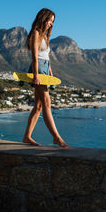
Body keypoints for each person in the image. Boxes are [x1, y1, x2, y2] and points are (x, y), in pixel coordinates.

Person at [23, 8, 69, 148]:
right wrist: (36, 75)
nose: (51, 24)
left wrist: (50, 72)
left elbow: (46, 56)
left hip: (45, 69)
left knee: (38, 106)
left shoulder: (44, 35)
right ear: (43, 18)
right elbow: (35, 57)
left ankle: (26, 137)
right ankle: (56, 138)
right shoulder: (36, 33)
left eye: (53, 21)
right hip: (38, 70)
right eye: (49, 20)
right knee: (47, 103)